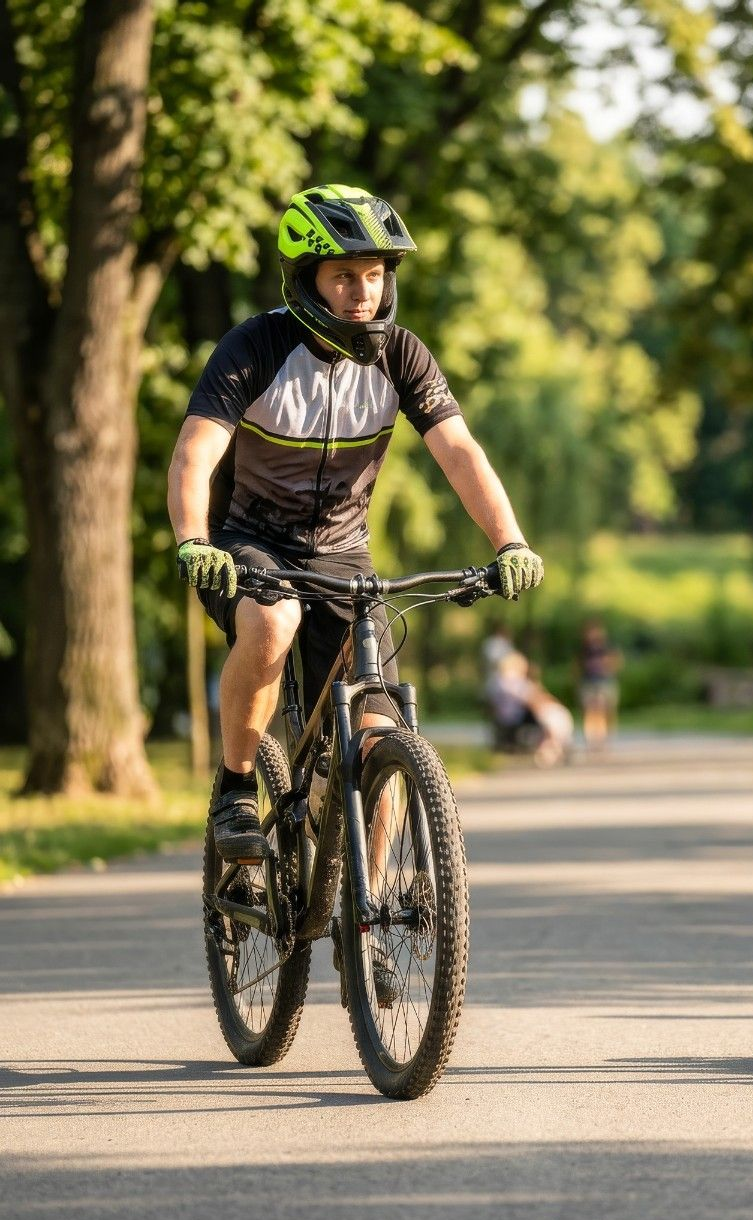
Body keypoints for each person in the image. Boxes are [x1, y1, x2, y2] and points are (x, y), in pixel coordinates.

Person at [168, 184, 544, 866]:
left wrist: (508, 541)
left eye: (374, 275)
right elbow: (196, 450)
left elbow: (459, 453)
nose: (362, 292)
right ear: (305, 279)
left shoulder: (401, 355)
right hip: (248, 542)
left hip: (345, 554)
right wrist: (194, 538)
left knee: (378, 728)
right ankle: (234, 790)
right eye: (344, 276)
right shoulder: (255, 347)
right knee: (271, 623)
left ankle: (366, 931)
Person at [576, 618, 621, 752]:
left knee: (606, 710)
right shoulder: (583, 649)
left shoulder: (608, 647)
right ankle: (592, 739)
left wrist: (607, 668)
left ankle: (605, 739)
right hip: (589, 682)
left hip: (605, 681)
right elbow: (577, 666)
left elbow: (616, 662)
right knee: (591, 711)